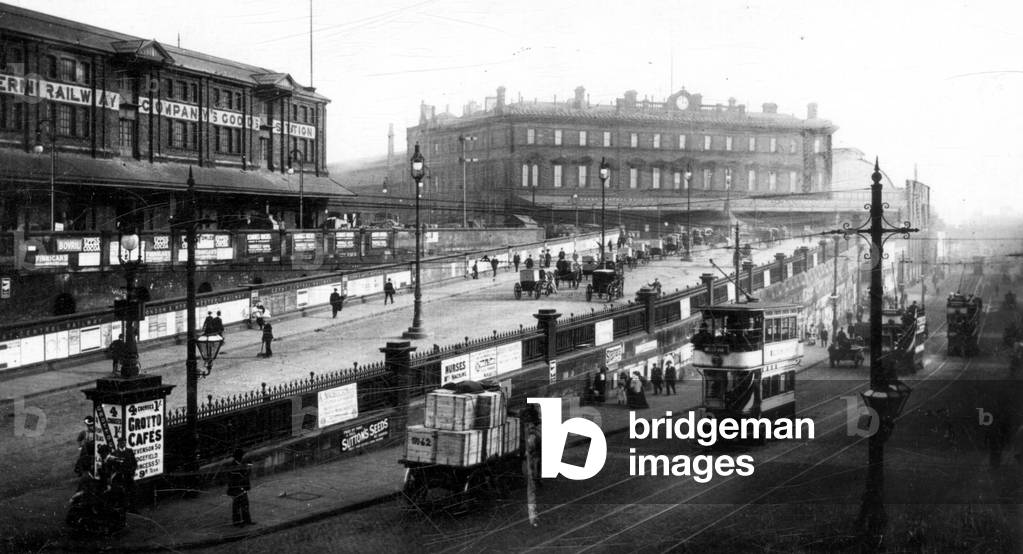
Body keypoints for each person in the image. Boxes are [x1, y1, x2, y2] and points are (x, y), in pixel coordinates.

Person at [226, 448, 254, 526]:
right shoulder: (233, 465)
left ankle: (246, 521)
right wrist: (247, 470)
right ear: (239, 456)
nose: (243, 457)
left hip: (241, 488)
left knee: (245, 504)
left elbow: (245, 475)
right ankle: (237, 522)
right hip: (235, 488)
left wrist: (249, 468)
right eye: (242, 456)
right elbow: (239, 476)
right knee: (237, 505)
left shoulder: (241, 463)